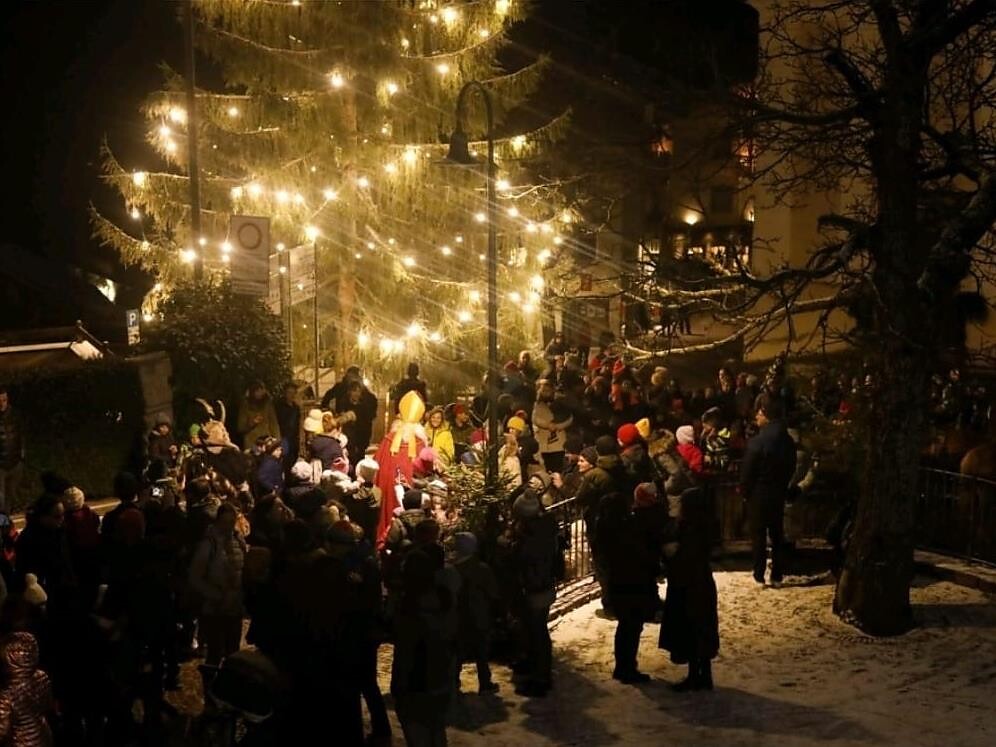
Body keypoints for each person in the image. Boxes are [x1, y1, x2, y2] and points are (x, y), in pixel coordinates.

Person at [391, 546, 454, 747]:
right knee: (437, 731)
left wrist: (399, 688)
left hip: (415, 684)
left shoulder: (408, 609)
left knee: (418, 735)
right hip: (440, 677)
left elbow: (405, 653)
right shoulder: (444, 600)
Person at [602, 482, 665, 684]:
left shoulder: (610, 529)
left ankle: (624, 665)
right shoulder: (626, 531)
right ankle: (626, 667)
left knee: (626, 626)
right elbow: (640, 557)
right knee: (631, 626)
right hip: (633, 584)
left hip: (619, 584)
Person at [659, 485, 719, 691]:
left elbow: (683, 556)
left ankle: (695, 675)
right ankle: (705, 674)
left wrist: (670, 554)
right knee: (702, 627)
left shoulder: (687, 527)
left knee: (690, 628)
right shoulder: (707, 524)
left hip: (687, 584)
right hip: (702, 582)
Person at [740, 394, 797, 586]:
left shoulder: (758, 441)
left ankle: (759, 572)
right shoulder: (787, 440)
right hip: (778, 491)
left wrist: (745, 491)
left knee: (758, 535)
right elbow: (791, 465)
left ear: (765, 413)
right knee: (776, 533)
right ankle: (777, 574)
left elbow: (748, 470)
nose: (756, 416)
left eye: (759, 412)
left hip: (759, 492)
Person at [509, 491, 557, 697]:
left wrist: (512, 547)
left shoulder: (534, 537)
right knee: (533, 629)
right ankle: (532, 666)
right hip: (540, 585)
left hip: (536, 586)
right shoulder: (544, 527)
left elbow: (525, 559)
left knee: (538, 632)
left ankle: (540, 677)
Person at [188, 503, 246, 666]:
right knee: (215, 651)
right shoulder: (209, 544)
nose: (228, 527)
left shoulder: (237, 540)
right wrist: (215, 595)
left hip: (234, 606)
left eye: (231, 522)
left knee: (233, 652)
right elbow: (195, 576)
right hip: (215, 609)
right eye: (225, 523)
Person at [451, 532, 500, 695]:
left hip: (459, 616)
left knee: (458, 651)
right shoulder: (482, 569)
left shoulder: (452, 569)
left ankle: (454, 682)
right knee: (481, 651)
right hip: (479, 614)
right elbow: (493, 592)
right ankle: (485, 682)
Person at [532, 379, 573, 474]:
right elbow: (536, 419)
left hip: (558, 445)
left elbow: (569, 418)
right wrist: (547, 425)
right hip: (544, 445)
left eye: (547, 390)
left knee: (557, 470)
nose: (545, 392)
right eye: (543, 390)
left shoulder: (560, 402)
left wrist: (557, 426)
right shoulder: (537, 405)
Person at [336, 378, 379, 466]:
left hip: (361, 436)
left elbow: (367, 422)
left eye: (358, 391)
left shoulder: (363, 406)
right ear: (350, 392)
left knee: (360, 455)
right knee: (350, 456)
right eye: (354, 391)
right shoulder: (344, 404)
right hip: (348, 437)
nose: (356, 394)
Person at [236, 381, 281, 449]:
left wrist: (277, 441)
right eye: (257, 391)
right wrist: (253, 423)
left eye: (261, 390)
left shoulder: (267, 404)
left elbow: (274, 423)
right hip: (251, 443)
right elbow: (241, 427)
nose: (259, 393)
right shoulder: (246, 405)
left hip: (266, 442)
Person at [0, 388, 24, 513]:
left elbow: (21, 434)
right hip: (1, 465)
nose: (2, 403)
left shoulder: (14, 414)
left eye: (4, 400)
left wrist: (21, 455)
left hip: (14, 462)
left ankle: (5, 526)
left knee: (9, 496)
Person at [273, 382, 302, 465]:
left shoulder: (296, 407)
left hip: (294, 438)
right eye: (289, 392)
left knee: (293, 460)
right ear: (285, 393)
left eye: (293, 393)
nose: (292, 395)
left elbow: (297, 423)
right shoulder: (279, 406)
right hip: (283, 437)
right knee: (284, 460)